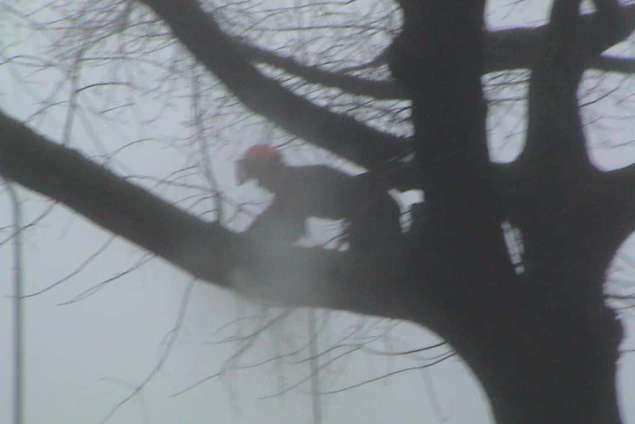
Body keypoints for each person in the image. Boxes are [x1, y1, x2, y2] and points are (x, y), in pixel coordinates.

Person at [236, 144, 402, 253]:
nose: (260, 184)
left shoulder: (294, 183)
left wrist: (249, 246)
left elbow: (288, 224)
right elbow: (276, 215)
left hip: (377, 214)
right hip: (372, 214)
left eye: (259, 178)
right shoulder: (293, 182)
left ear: (268, 169)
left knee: (369, 271)